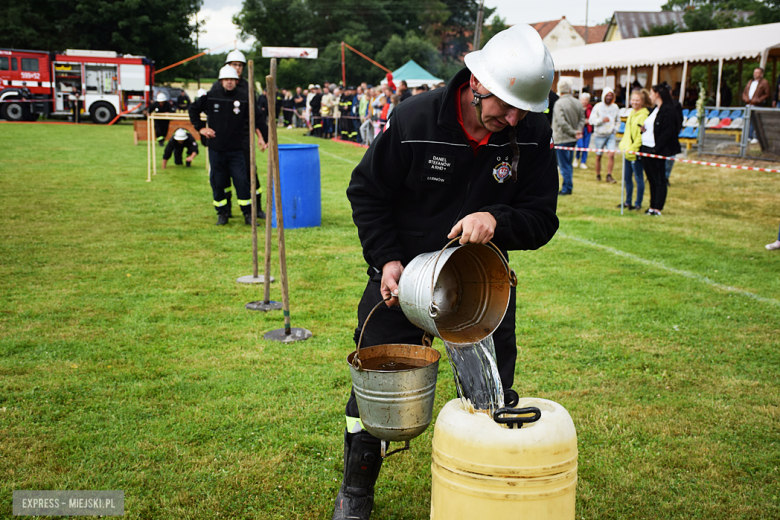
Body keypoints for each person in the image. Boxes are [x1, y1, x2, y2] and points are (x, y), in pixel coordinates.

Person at [337, 24, 559, 520]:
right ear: (476, 81)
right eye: (505, 104)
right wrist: (386, 260)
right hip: (402, 277)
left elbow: (544, 219)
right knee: (375, 385)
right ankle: (356, 492)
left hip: (481, 285)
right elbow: (367, 193)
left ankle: (483, 491)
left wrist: (497, 219)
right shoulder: (415, 119)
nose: (514, 117)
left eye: (526, 108)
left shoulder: (532, 136)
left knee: (491, 392)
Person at [189, 65, 267, 226]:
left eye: (232, 79)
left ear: (236, 81)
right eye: (226, 79)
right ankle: (222, 213)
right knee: (217, 182)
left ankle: (248, 214)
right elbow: (193, 109)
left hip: (237, 150)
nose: (229, 82)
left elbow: (258, 118)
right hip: (216, 150)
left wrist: (262, 137)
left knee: (241, 181)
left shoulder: (245, 97)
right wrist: (201, 128)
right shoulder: (211, 96)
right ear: (221, 81)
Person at [640, 83, 681, 217]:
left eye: (651, 93)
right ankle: (652, 205)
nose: (650, 96)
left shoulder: (668, 110)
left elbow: (667, 131)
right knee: (651, 179)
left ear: (657, 94)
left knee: (659, 179)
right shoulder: (655, 110)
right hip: (646, 146)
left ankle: (658, 207)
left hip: (656, 149)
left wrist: (657, 149)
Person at [618, 89, 651, 210]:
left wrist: (634, 149)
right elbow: (627, 133)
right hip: (627, 151)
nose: (634, 102)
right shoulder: (631, 113)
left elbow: (639, 136)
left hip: (635, 152)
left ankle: (638, 203)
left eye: (637, 100)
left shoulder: (643, 116)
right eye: (633, 100)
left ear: (642, 101)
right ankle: (627, 201)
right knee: (627, 178)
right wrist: (623, 145)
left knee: (638, 178)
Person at [552, 78, 585, 196]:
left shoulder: (559, 103)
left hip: (562, 138)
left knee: (564, 165)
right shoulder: (578, 102)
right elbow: (582, 118)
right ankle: (568, 186)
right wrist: (577, 131)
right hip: (572, 139)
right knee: (568, 164)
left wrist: (572, 132)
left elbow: (561, 122)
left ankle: (567, 188)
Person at [589, 87, 620, 183]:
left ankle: (609, 175)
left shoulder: (615, 107)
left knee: (611, 154)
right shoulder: (598, 107)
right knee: (598, 156)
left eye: (611, 95)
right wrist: (601, 120)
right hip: (599, 135)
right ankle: (598, 175)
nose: (609, 97)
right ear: (604, 96)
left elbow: (618, 121)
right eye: (607, 95)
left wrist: (615, 130)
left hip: (610, 134)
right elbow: (591, 121)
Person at [742, 67, 770, 143]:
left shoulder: (764, 82)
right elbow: (744, 92)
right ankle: (748, 136)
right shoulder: (750, 82)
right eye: (754, 72)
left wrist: (758, 100)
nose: (755, 74)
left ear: (761, 74)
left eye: (757, 72)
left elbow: (767, 94)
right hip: (749, 105)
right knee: (748, 121)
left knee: (756, 121)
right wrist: (746, 99)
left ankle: (756, 137)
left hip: (757, 105)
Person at [573, 92, 592, 170]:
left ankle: (583, 162)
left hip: (587, 129)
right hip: (579, 129)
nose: (584, 101)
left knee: (585, 146)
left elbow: (592, 118)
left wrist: (589, 120)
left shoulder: (590, 108)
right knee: (580, 146)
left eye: (586, 100)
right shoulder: (577, 107)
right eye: (583, 100)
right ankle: (576, 158)